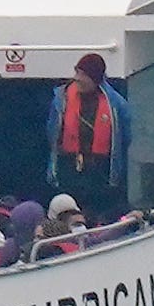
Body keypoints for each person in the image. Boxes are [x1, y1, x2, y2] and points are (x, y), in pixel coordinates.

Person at [46, 53, 131, 219]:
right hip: (68, 167)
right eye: (76, 72)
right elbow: (52, 131)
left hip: (99, 170)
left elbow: (125, 138)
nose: (77, 78)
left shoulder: (116, 105)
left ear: (95, 78)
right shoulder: (61, 98)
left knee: (98, 212)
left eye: (83, 75)